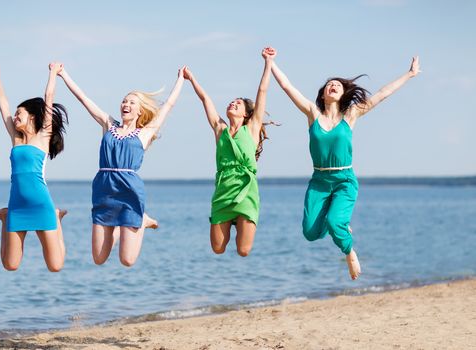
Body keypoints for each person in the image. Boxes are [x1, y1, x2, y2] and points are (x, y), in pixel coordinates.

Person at [270, 51, 420, 279]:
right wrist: (271, 62)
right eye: (329, 84)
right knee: (310, 232)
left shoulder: (351, 114)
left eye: (337, 85)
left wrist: (409, 74)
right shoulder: (312, 113)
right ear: (323, 94)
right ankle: (337, 225)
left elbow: (382, 94)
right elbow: (287, 86)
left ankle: (349, 251)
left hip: (344, 181)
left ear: (342, 94)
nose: (333, 86)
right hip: (319, 182)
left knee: (334, 221)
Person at [56, 63, 185, 267]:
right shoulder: (109, 124)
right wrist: (63, 74)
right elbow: (84, 99)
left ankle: (141, 220)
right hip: (103, 189)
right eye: (125, 101)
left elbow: (168, 106)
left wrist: (181, 80)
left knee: (127, 260)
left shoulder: (145, 132)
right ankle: (125, 225)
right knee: (98, 259)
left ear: (140, 111)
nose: (126, 104)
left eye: (132, 102)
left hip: (129, 192)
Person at [183, 47, 275, 257]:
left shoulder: (251, 128)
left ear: (246, 113)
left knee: (243, 251)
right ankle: (231, 220)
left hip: (246, 191)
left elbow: (262, 91)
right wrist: (191, 78)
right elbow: (205, 99)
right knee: (217, 249)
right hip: (224, 190)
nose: (233, 103)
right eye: (232, 102)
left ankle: (242, 222)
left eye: (239, 103)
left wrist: (268, 63)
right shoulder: (220, 129)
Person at [0, 63, 69, 272]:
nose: (15, 117)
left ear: (32, 115)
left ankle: (57, 217)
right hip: (16, 204)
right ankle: (4, 218)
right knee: (10, 265)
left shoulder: (43, 136)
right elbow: (3, 108)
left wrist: (53, 73)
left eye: (19, 113)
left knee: (56, 266)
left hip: (41, 203)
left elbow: (48, 96)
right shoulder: (16, 140)